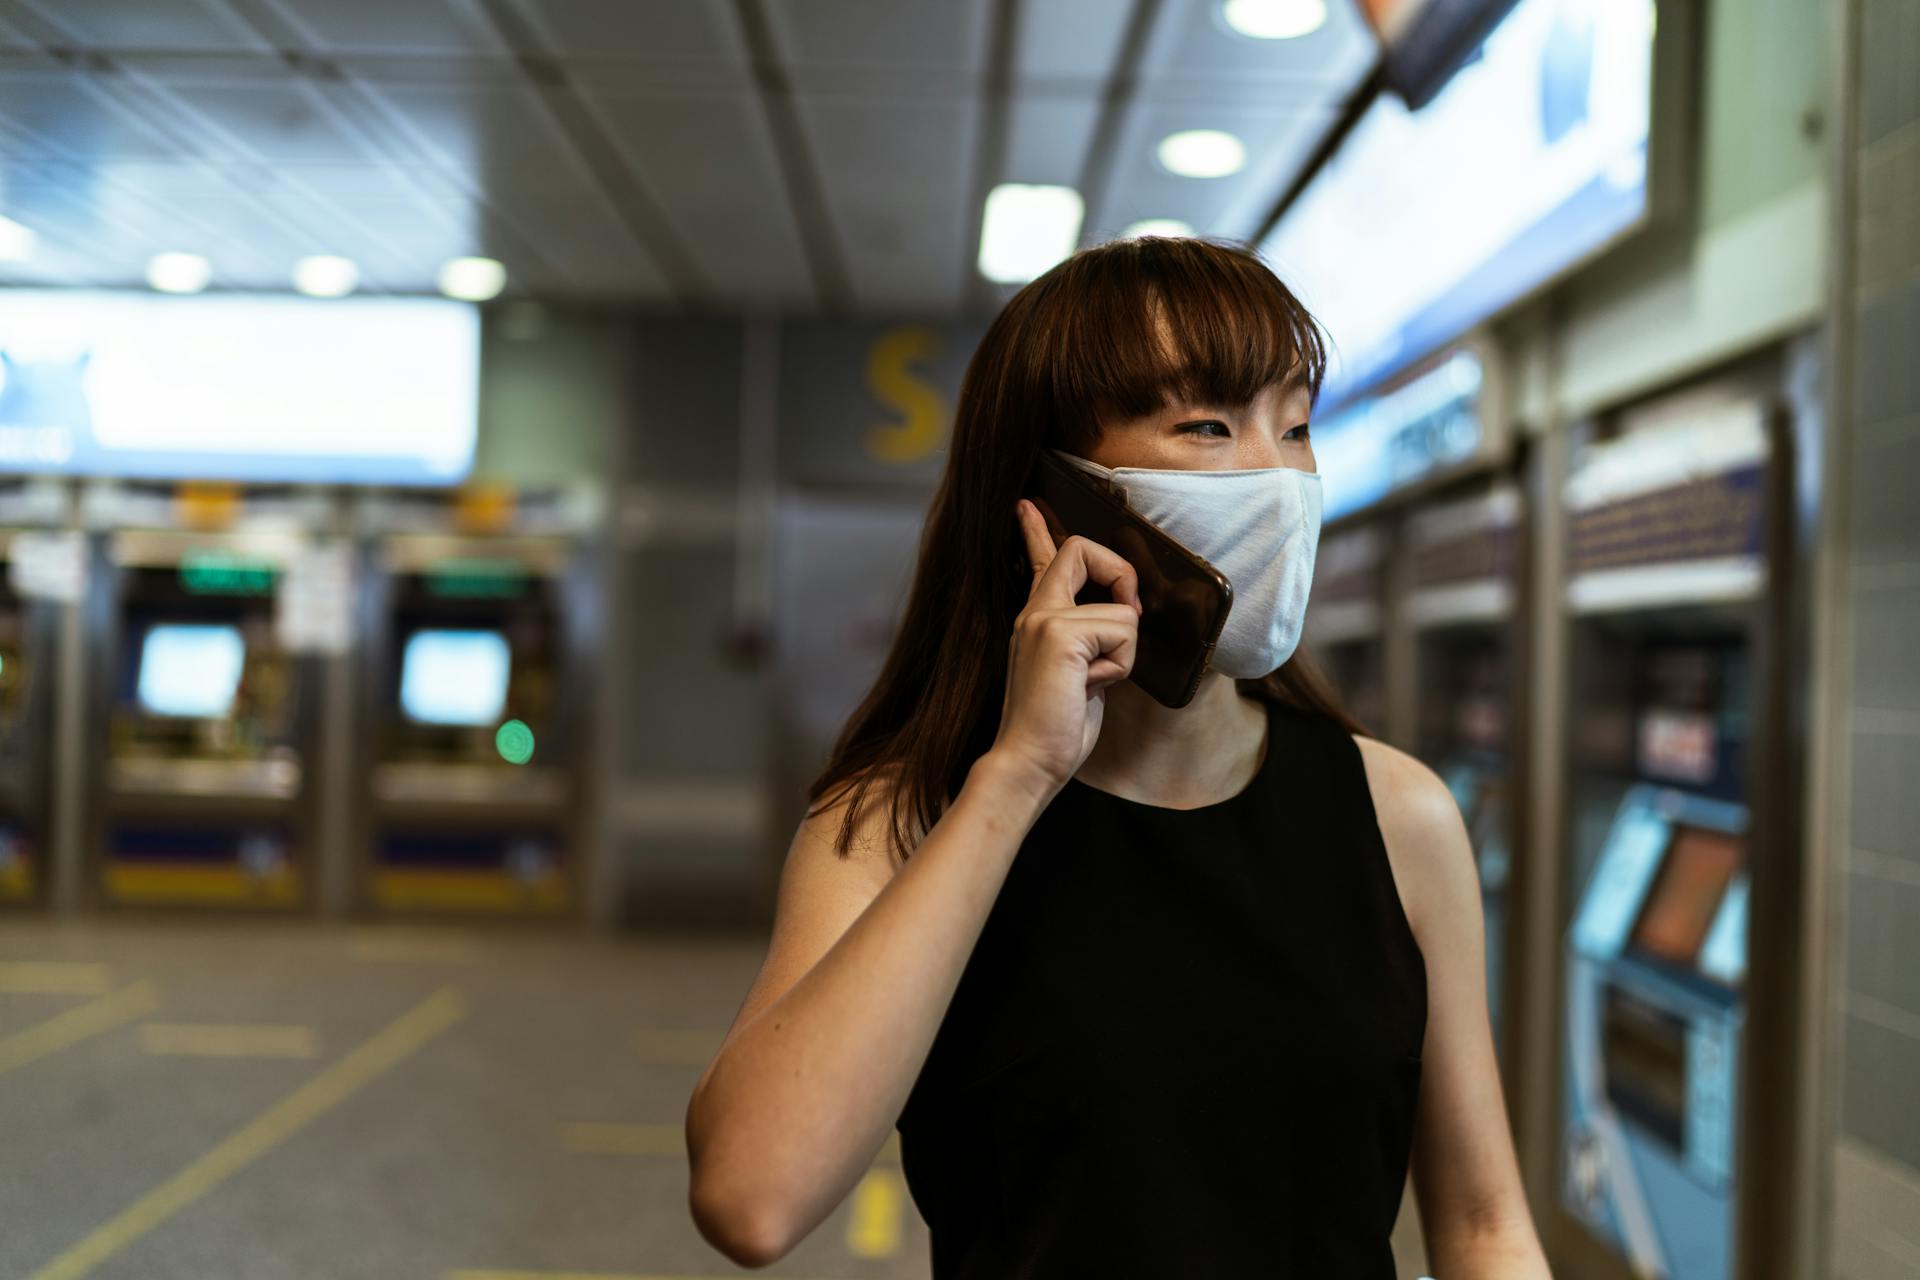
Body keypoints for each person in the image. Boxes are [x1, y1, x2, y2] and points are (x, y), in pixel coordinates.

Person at [684, 236, 1549, 1277]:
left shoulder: (1396, 813)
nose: (1276, 477)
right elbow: (751, 1195)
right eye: (1208, 428)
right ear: (1057, 493)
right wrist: (1016, 775)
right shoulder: (904, 818)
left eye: (1297, 427)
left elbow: (1485, 1222)